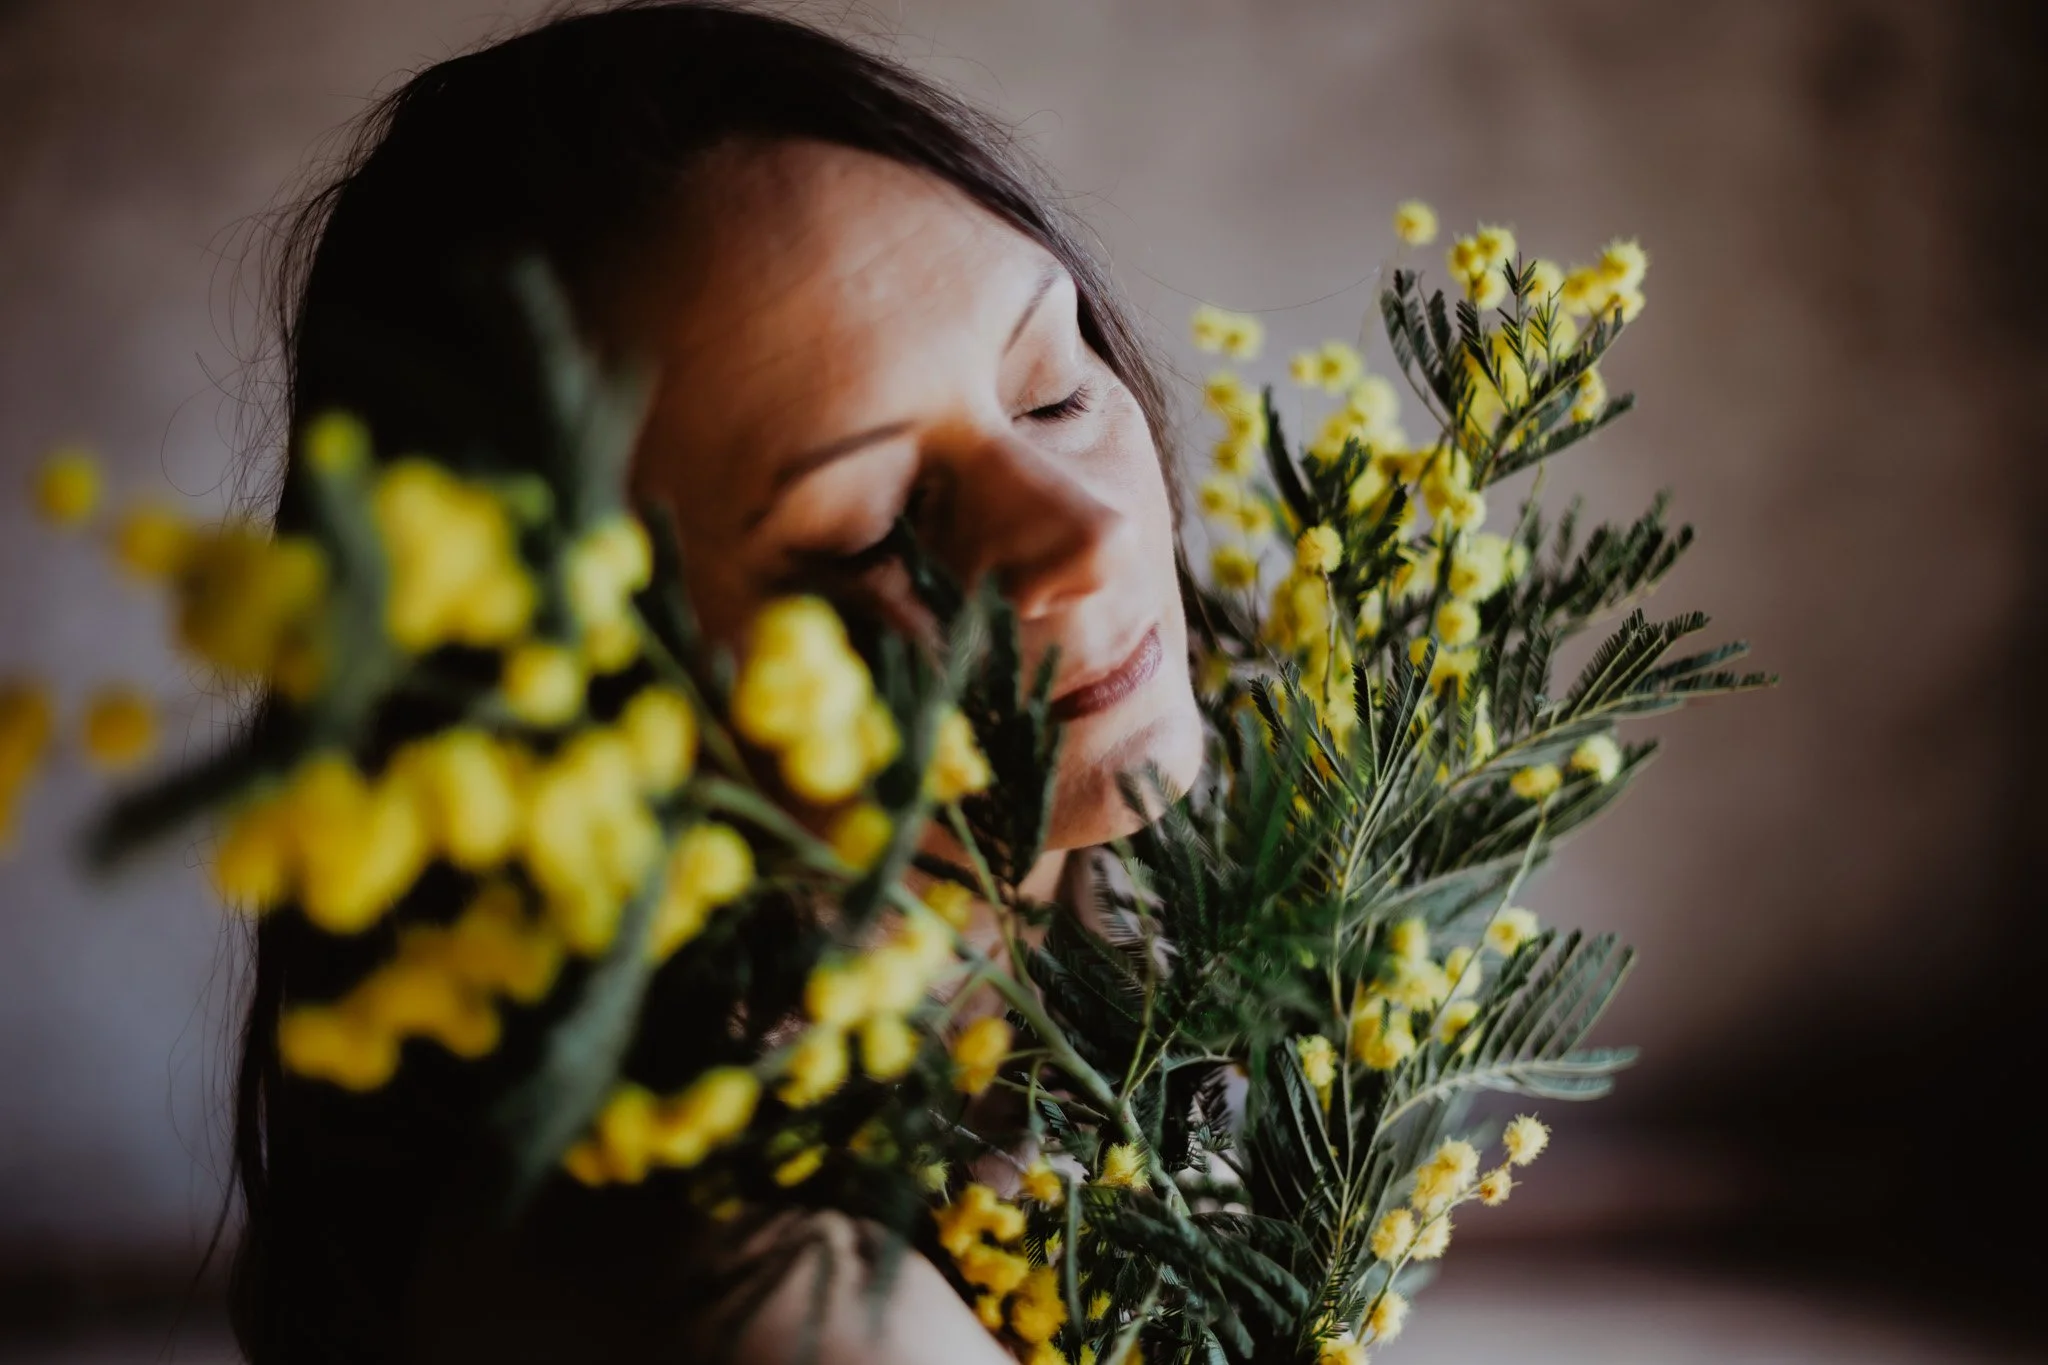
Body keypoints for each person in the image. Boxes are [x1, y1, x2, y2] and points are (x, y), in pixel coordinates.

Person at [230, 3, 1204, 1361]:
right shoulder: (779, 1315)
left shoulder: (1157, 971)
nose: (1088, 533)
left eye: (1051, 392)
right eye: (871, 532)